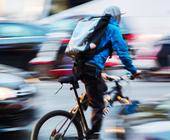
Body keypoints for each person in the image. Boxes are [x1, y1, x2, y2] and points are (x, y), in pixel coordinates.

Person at [73, 6, 140, 138]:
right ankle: (94, 134)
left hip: (80, 67)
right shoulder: (113, 29)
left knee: (101, 87)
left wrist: (101, 71)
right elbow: (123, 54)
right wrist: (133, 71)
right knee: (99, 104)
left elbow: (94, 53)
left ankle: (78, 112)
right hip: (90, 69)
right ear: (117, 17)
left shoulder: (98, 26)